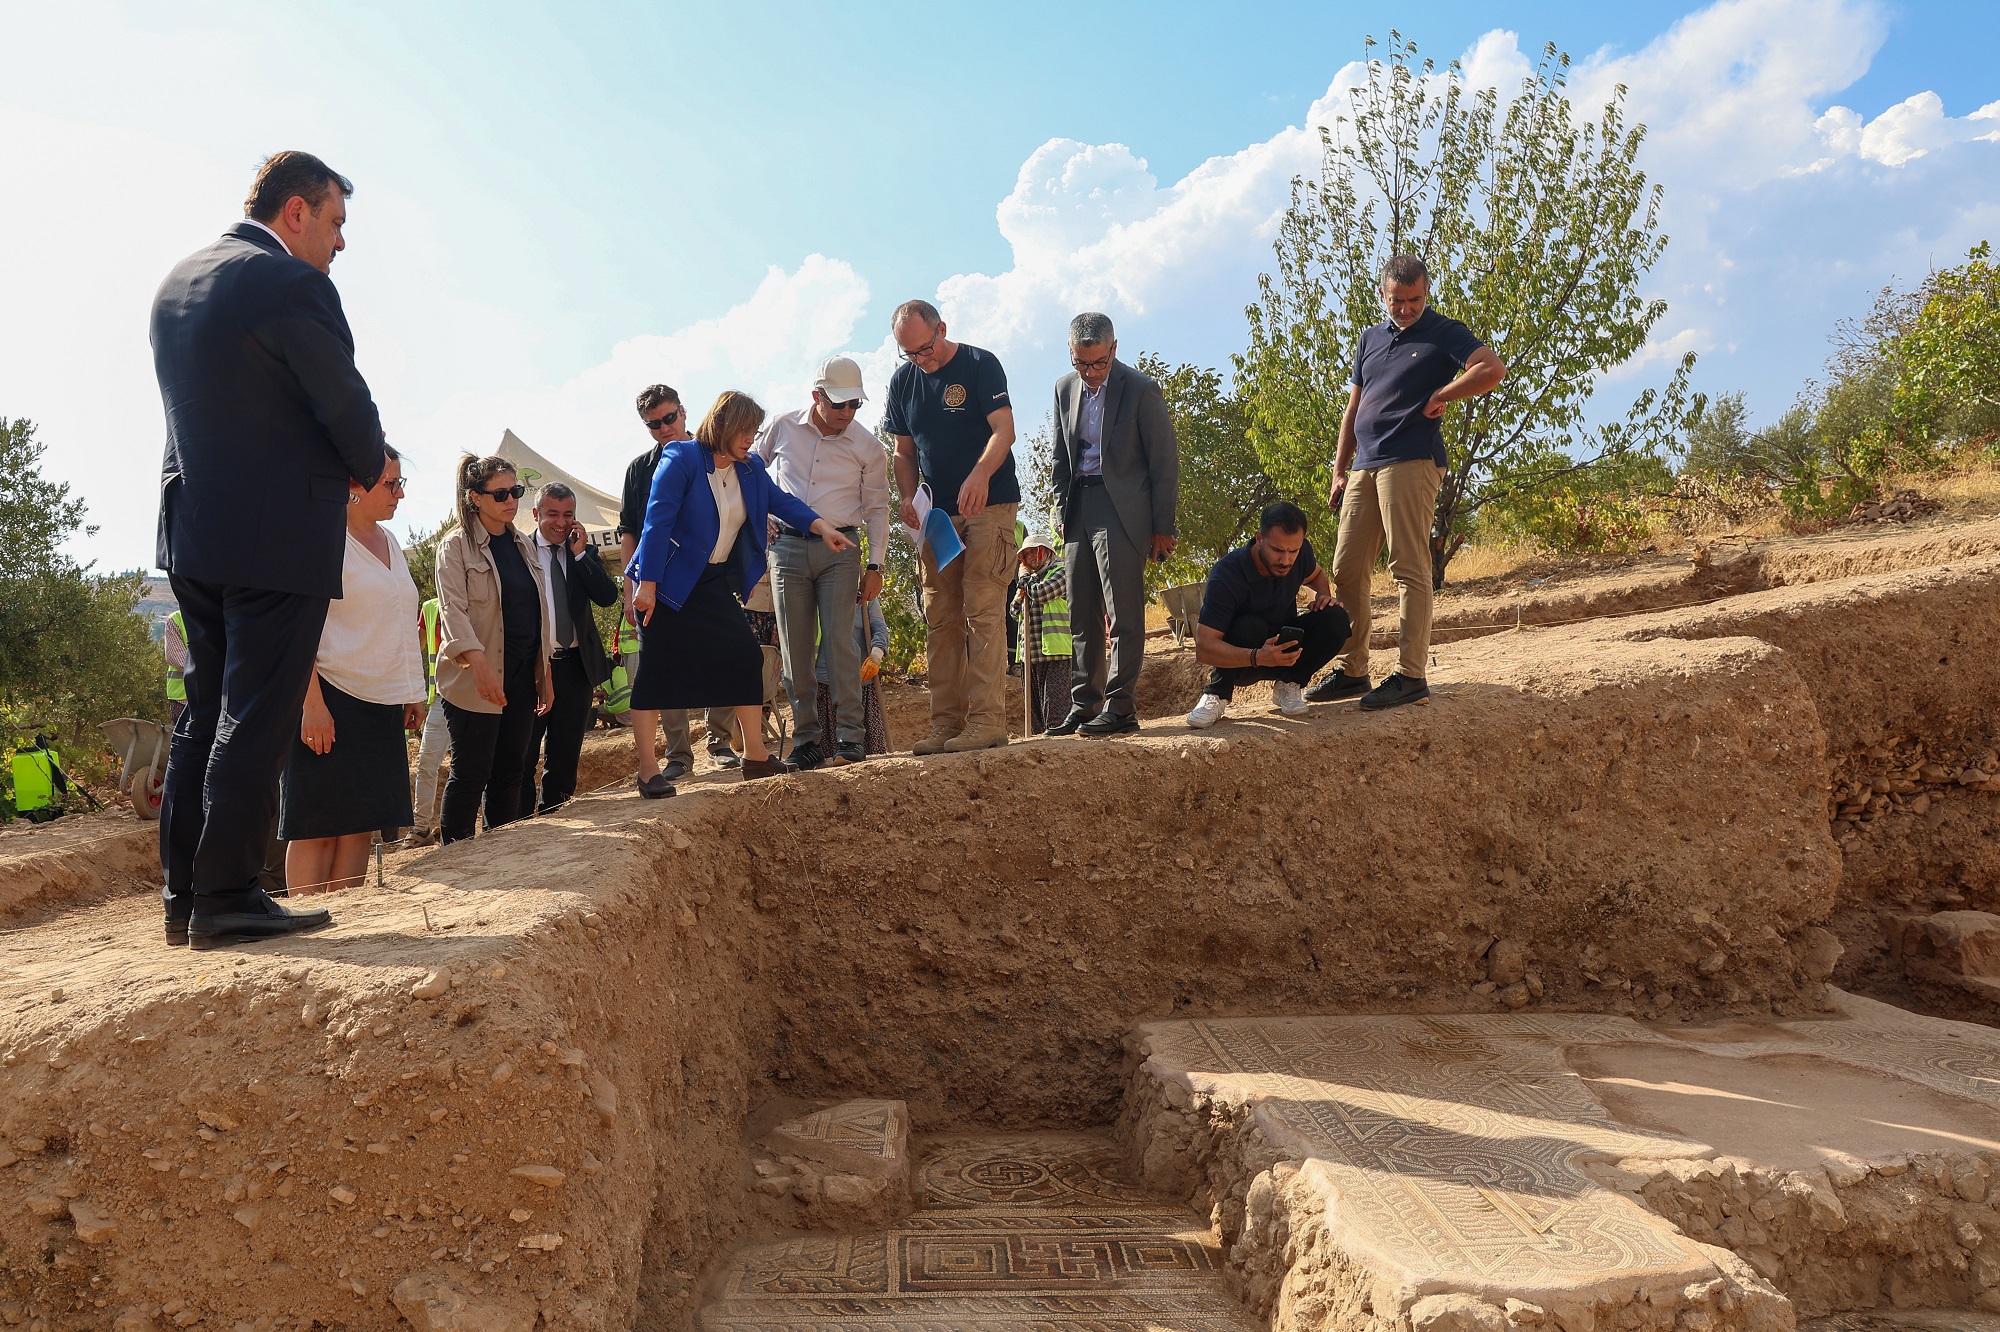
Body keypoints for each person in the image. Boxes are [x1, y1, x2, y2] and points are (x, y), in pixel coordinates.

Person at [151, 150, 386, 949]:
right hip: (278, 532)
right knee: (257, 714)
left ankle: (185, 897)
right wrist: (372, 462)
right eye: (335, 222)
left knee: (205, 711)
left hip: (194, 532)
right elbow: (342, 398)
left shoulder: (176, 282)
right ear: (296, 211)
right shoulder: (291, 283)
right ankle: (227, 894)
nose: (340, 243)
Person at [1307, 254, 1506, 711]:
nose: (1405, 308)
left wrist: (1443, 394)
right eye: (1397, 300)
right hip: (1365, 464)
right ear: (1383, 294)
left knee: (1408, 567)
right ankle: (1354, 669)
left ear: (1426, 293)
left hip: (1412, 460)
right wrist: (1340, 468)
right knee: (1347, 568)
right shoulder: (1370, 339)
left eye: (1414, 300)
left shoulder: (1444, 331)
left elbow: (1491, 370)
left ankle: (1411, 674)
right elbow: (1353, 408)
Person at [627, 391, 853, 781]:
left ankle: (755, 755)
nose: (751, 438)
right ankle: (649, 771)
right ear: (724, 426)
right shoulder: (681, 458)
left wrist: (822, 527)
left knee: (746, 657)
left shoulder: (750, 468)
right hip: (665, 582)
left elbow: (782, 501)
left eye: (754, 430)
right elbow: (655, 523)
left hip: (712, 581)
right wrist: (645, 585)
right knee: (656, 672)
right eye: (745, 430)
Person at [280, 446, 426, 893]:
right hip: (329, 697)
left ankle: (347, 931)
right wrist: (312, 706)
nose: (399, 494)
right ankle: (308, 923)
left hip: (382, 703)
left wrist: (412, 690)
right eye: (390, 483)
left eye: (401, 483)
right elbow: (296, 631)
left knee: (359, 823)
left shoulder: (392, 542)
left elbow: (402, 621)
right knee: (316, 827)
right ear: (352, 487)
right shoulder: (321, 540)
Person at [885, 299, 1018, 755]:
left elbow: (1004, 430)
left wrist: (980, 475)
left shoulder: (981, 364)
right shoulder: (903, 382)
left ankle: (987, 722)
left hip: (990, 506)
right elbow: (903, 452)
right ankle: (947, 724)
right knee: (941, 618)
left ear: (942, 328)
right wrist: (907, 496)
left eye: (926, 348)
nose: (922, 360)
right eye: (911, 354)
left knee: (982, 609)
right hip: (937, 519)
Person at [757, 355, 892, 768]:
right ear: (816, 396)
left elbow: (878, 509)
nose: (847, 413)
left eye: (856, 405)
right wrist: (758, 513)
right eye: (839, 404)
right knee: (795, 649)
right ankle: (806, 742)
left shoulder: (869, 447)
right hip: (785, 549)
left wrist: (876, 566)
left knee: (840, 643)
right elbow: (749, 471)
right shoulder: (781, 426)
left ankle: (851, 739)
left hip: (842, 552)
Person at [1048, 312, 1179, 737]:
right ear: (1071, 354)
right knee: (1081, 612)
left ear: (1114, 349)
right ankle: (1084, 705)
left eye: (1098, 363)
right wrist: (1058, 508)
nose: (1089, 373)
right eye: (1080, 363)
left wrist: (1163, 526)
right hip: (1077, 507)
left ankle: (1120, 706)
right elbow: (1058, 458)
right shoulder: (1063, 388)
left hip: (1122, 507)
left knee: (1122, 610)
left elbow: (1163, 464)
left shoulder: (1141, 390)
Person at [617, 385, 736, 795]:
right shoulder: (639, 469)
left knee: (724, 656)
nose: (664, 427)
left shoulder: (713, 455)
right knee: (664, 665)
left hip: (713, 577)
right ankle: (679, 754)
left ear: (684, 412)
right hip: (660, 583)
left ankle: (721, 742)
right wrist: (633, 585)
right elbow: (632, 531)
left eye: (670, 418)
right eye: (655, 424)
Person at [433, 456, 554, 841]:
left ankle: (502, 856)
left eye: (515, 491)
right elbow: (454, 611)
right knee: (471, 772)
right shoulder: (454, 547)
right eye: (500, 493)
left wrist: (544, 676)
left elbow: (537, 615)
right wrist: (480, 666)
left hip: (520, 674)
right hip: (474, 677)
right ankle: (456, 856)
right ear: (474, 498)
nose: (511, 500)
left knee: (512, 770)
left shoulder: (522, 543)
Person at [1186, 502, 1350, 729]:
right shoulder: (1226, 575)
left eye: (1293, 551)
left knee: (1336, 617)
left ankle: (1290, 683)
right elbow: (1204, 647)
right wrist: (1257, 656)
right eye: (1278, 550)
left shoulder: (1299, 554)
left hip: (1285, 650)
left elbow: (1316, 575)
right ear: (1259, 538)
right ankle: (1216, 694)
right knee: (1249, 625)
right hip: (1243, 660)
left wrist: (1323, 596)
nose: (1286, 560)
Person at [519, 483, 619, 813]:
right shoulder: (521, 552)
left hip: (577, 667)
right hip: (533, 668)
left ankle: (556, 817)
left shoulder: (583, 554)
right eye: (552, 514)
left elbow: (607, 597)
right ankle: (515, 823)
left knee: (565, 752)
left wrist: (579, 555)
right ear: (536, 515)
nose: (561, 523)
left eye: (568, 515)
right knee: (523, 751)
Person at [814, 593, 892, 758]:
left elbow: (879, 628)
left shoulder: (866, 594)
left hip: (859, 682)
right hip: (824, 684)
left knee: (872, 754)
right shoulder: (815, 591)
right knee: (829, 756)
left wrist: (877, 654)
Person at [1015, 528, 1073, 735]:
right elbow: (1015, 610)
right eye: (1026, 555)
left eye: (1034, 552)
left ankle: (1061, 752)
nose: (1030, 558)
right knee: (1035, 716)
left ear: (1047, 552)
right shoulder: (1029, 581)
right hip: (1030, 655)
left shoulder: (1062, 571)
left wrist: (1025, 581)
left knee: (1055, 712)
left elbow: (1042, 593)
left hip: (1056, 652)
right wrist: (1024, 587)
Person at [409, 595, 448, 844]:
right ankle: (420, 828)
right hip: (440, 699)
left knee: (470, 766)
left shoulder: (478, 598)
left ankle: (454, 823)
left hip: (475, 696)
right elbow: (413, 650)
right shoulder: (431, 609)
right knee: (426, 763)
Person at [164, 609, 188, 727]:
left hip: (214, 696)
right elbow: (177, 659)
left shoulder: (218, 616)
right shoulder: (175, 619)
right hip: (182, 697)